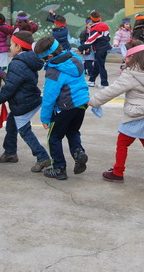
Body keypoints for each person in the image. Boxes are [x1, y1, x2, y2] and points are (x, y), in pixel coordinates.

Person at [89, 40, 144, 184]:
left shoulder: (131, 74)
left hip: (135, 114)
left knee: (122, 143)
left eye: (126, 56)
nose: (124, 58)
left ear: (134, 57)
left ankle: (117, 172)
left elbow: (113, 90)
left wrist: (94, 101)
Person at [0, 31, 51, 172]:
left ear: (18, 47)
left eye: (11, 45)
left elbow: (10, 88)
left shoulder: (17, 64)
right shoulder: (29, 60)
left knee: (24, 131)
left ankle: (42, 157)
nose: (10, 47)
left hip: (23, 103)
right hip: (30, 99)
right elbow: (18, 81)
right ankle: (10, 152)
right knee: (11, 124)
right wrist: (5, 76)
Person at [35, 36, 90, 180]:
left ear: (50, 56)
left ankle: (59, 168)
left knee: (54, 137)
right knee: (72, 131)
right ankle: (78, 153)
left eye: (43, 59)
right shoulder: (75, 58)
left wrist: (45, 117)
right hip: (81, 104)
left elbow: (49, 97)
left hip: (64, 108)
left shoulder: (54, 71)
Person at [80, 10, 112, 87]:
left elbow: (90, 40)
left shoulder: (95, 29)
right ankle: (92, 80)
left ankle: (104, 83)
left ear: (92, 19)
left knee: (101, 66)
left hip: (99, 49)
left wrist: (80, 48)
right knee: (97, 65)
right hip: (105, 48)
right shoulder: (105, 25)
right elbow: (109, 36)